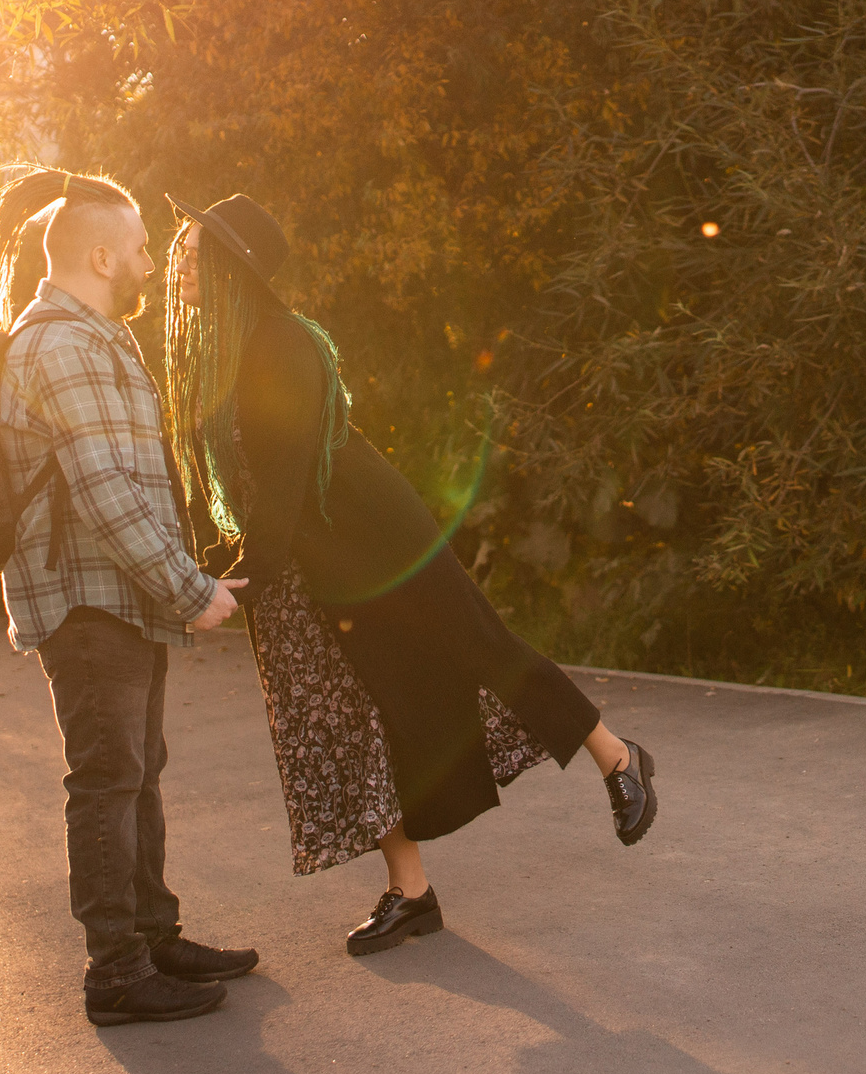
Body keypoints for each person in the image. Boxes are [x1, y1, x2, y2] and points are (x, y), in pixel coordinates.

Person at [160, 193, 660, 955]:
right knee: (348, 714)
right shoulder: (230, 349)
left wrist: (230, 580)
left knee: (478, 645)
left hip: (378, 539)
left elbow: (285, 481)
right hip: (315, 560)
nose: (180, 266)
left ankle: (617, 756)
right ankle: (411, 890)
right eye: (180, 252)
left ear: (236, 267)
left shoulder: (281, 344)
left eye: (196, 253)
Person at [0, 163, 261, 1024]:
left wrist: (182, 581)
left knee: (136, 772)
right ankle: (115, 971)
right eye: (140, 248)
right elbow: (103, 490)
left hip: (120, 596)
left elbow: (131, 479)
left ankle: (154, 936)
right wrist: (189, 588)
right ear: (99, 256)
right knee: (106, 778)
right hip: (85, 603)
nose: (150, 263)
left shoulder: (97, 339)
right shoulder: (58, 348)